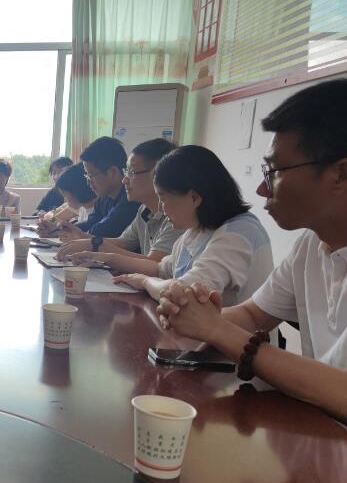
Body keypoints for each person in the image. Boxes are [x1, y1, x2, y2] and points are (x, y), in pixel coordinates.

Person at [158, 79, 347, 422]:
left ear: (340, 173)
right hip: (315, 434)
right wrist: (190, 317)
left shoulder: (241, 229)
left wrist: (216, 329)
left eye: (273, 172)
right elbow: (252, 314)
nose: (262, 188)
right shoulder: (310, 245)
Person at [110, 145, 272, 304]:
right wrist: (105, 258)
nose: (160, 207)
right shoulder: (196, 231)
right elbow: (160, 269)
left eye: (163, 199)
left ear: (194, 198)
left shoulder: (239, 234)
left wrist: (145, 281)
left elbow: (182, 293)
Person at [56, 138, 183, 265]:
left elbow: (155, 264)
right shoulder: (144, 210)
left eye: (132, 172)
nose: (124, 180)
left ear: (157, 174)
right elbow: (123, 242)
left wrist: (95, 245)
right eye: (126, 172)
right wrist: (83, 237)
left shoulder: (177, 215)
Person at [43, 137, 139, 238]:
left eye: (91, 175)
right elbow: (90, 223)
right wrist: (56, 231)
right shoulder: (104, 198)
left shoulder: (130, 200)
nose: (88, 182)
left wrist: (63, 233)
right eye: (87, 176)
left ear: (112, 172)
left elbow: (101, 230)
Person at [38, 163, 97, 232]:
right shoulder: (82, 208)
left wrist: (49, 223)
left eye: (64, 195)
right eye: (54, 173)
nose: (57, 176)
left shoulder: (79, 208)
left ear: (76, 190)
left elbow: (52, 219)